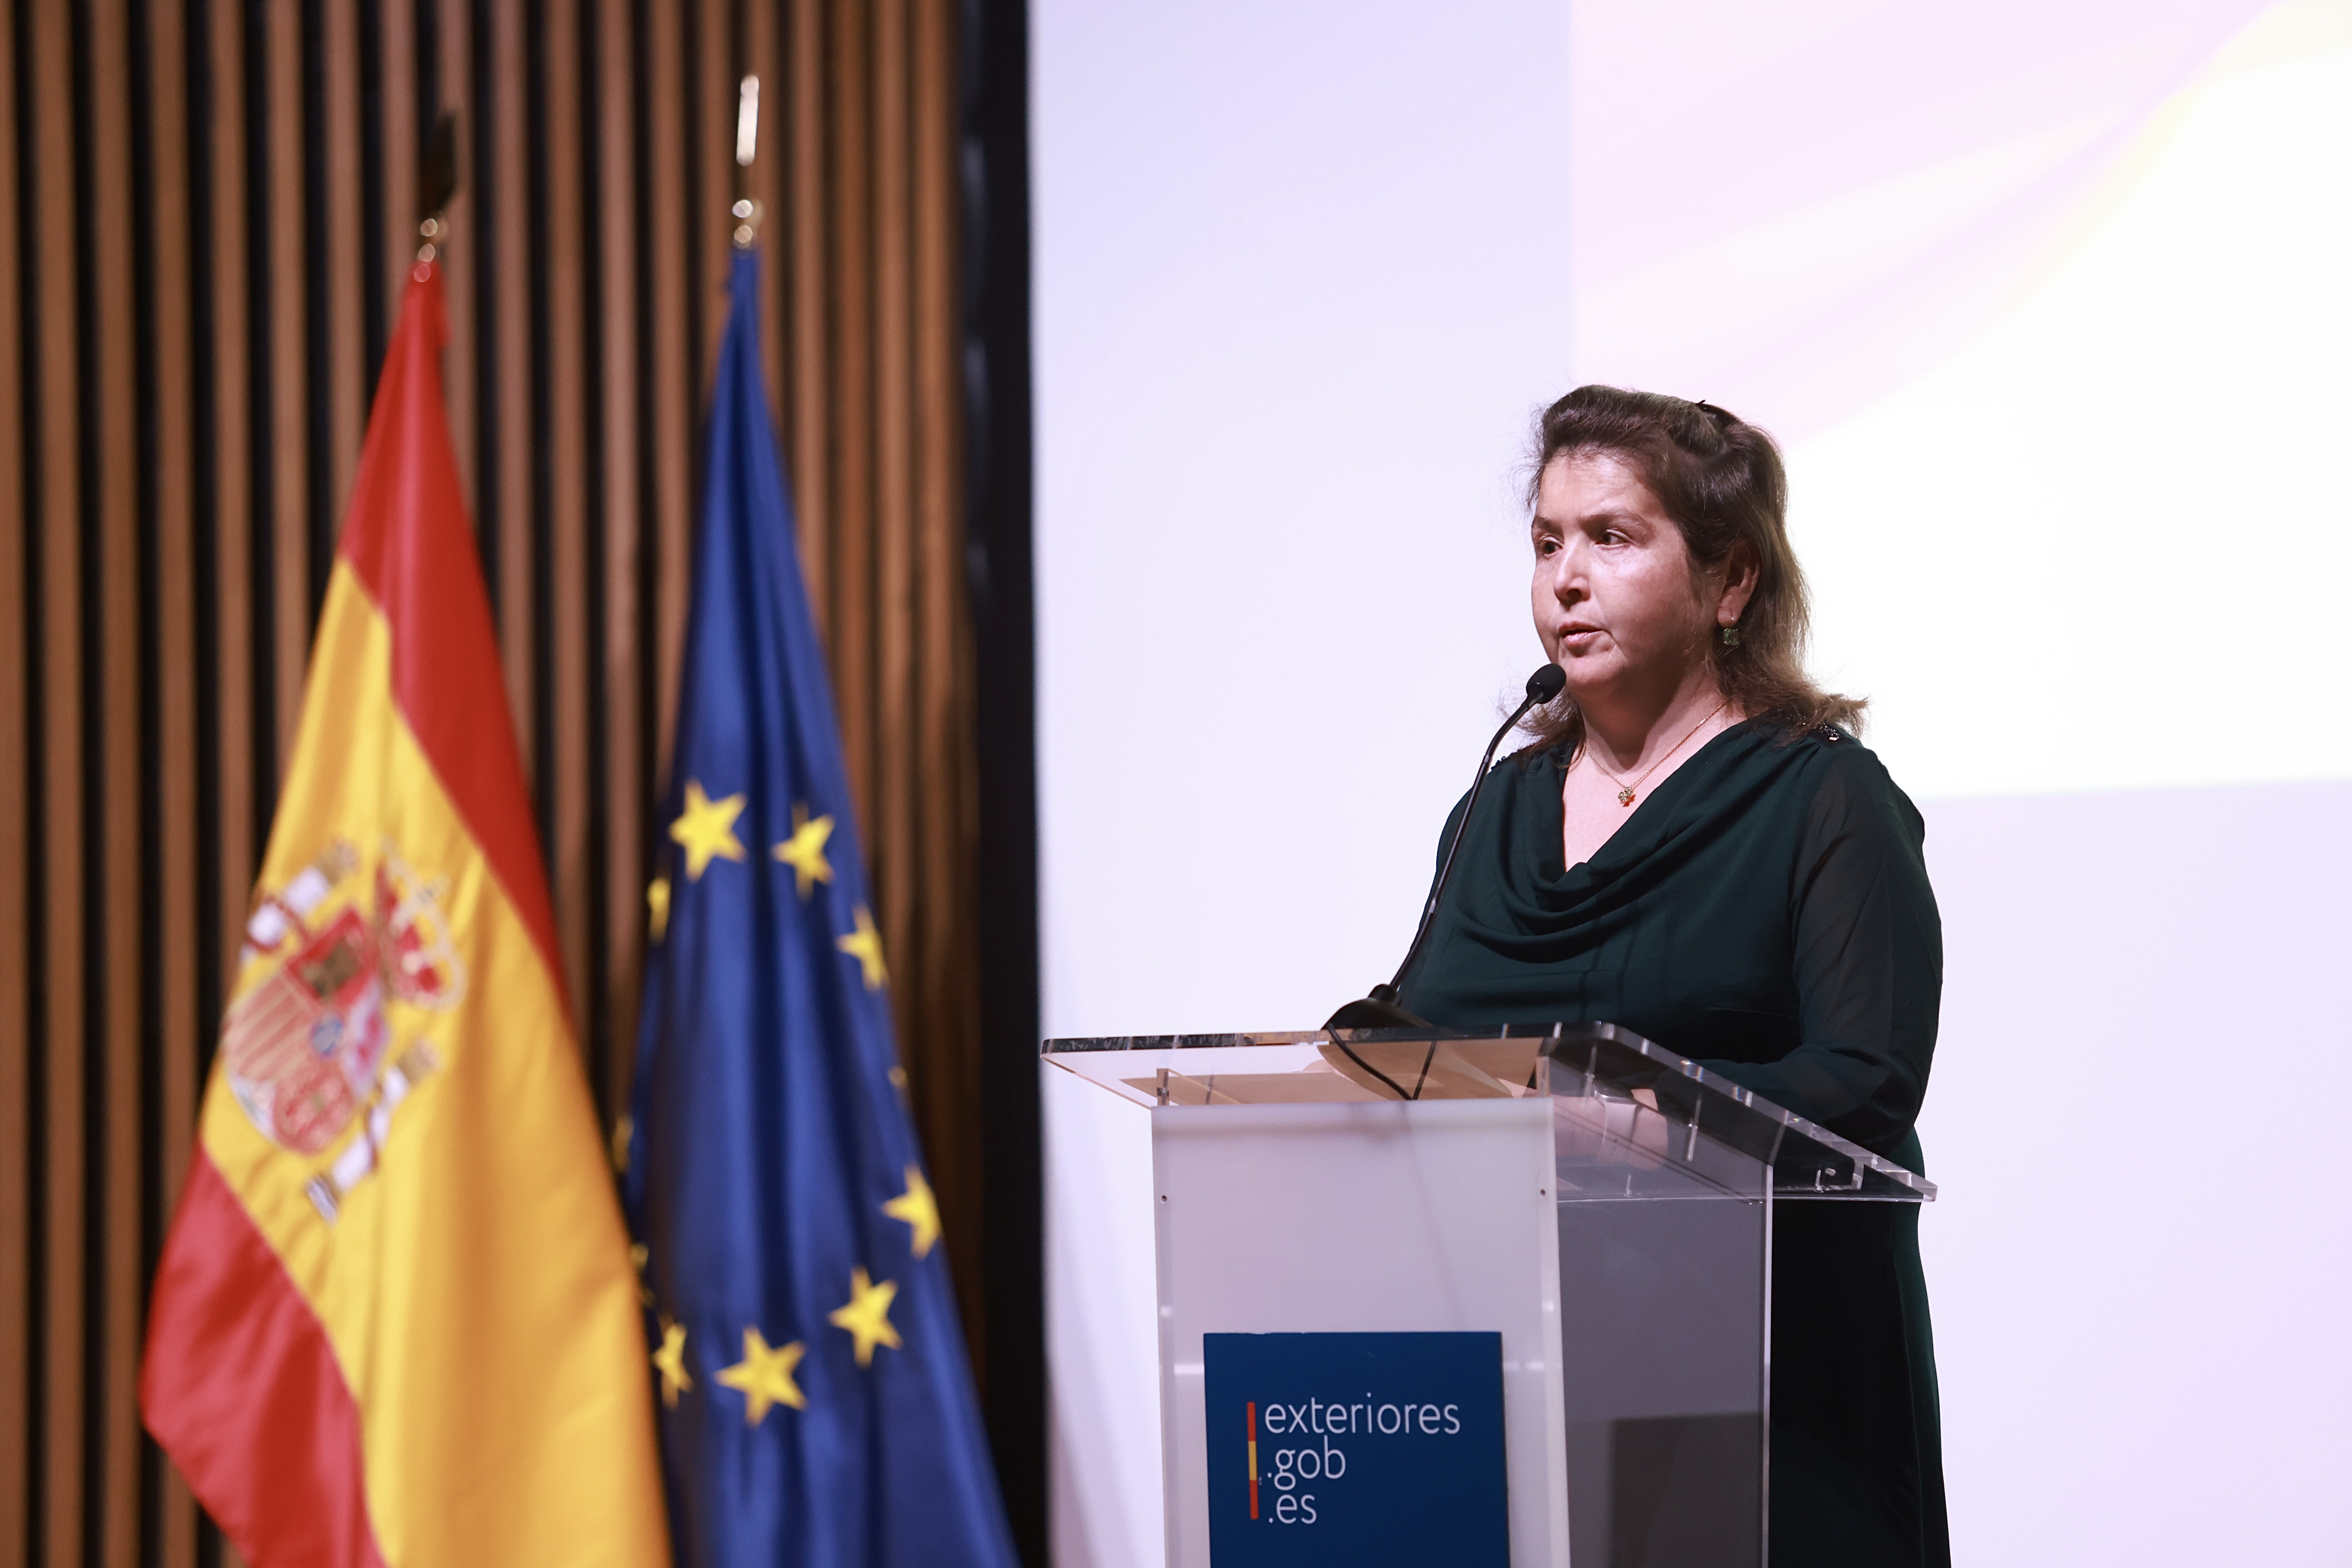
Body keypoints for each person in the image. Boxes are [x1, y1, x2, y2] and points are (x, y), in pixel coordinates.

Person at [1397, 385, 1949, 1567]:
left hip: (1771, 1408)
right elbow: (1421, 1049)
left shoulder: (1823, 800)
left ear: (1731, 582)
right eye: (1546, 543)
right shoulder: (1494, 815)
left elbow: (1864, 1079)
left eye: (1611, 537)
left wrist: (1644, 1123)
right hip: (1527, 1390)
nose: (1565, 578)